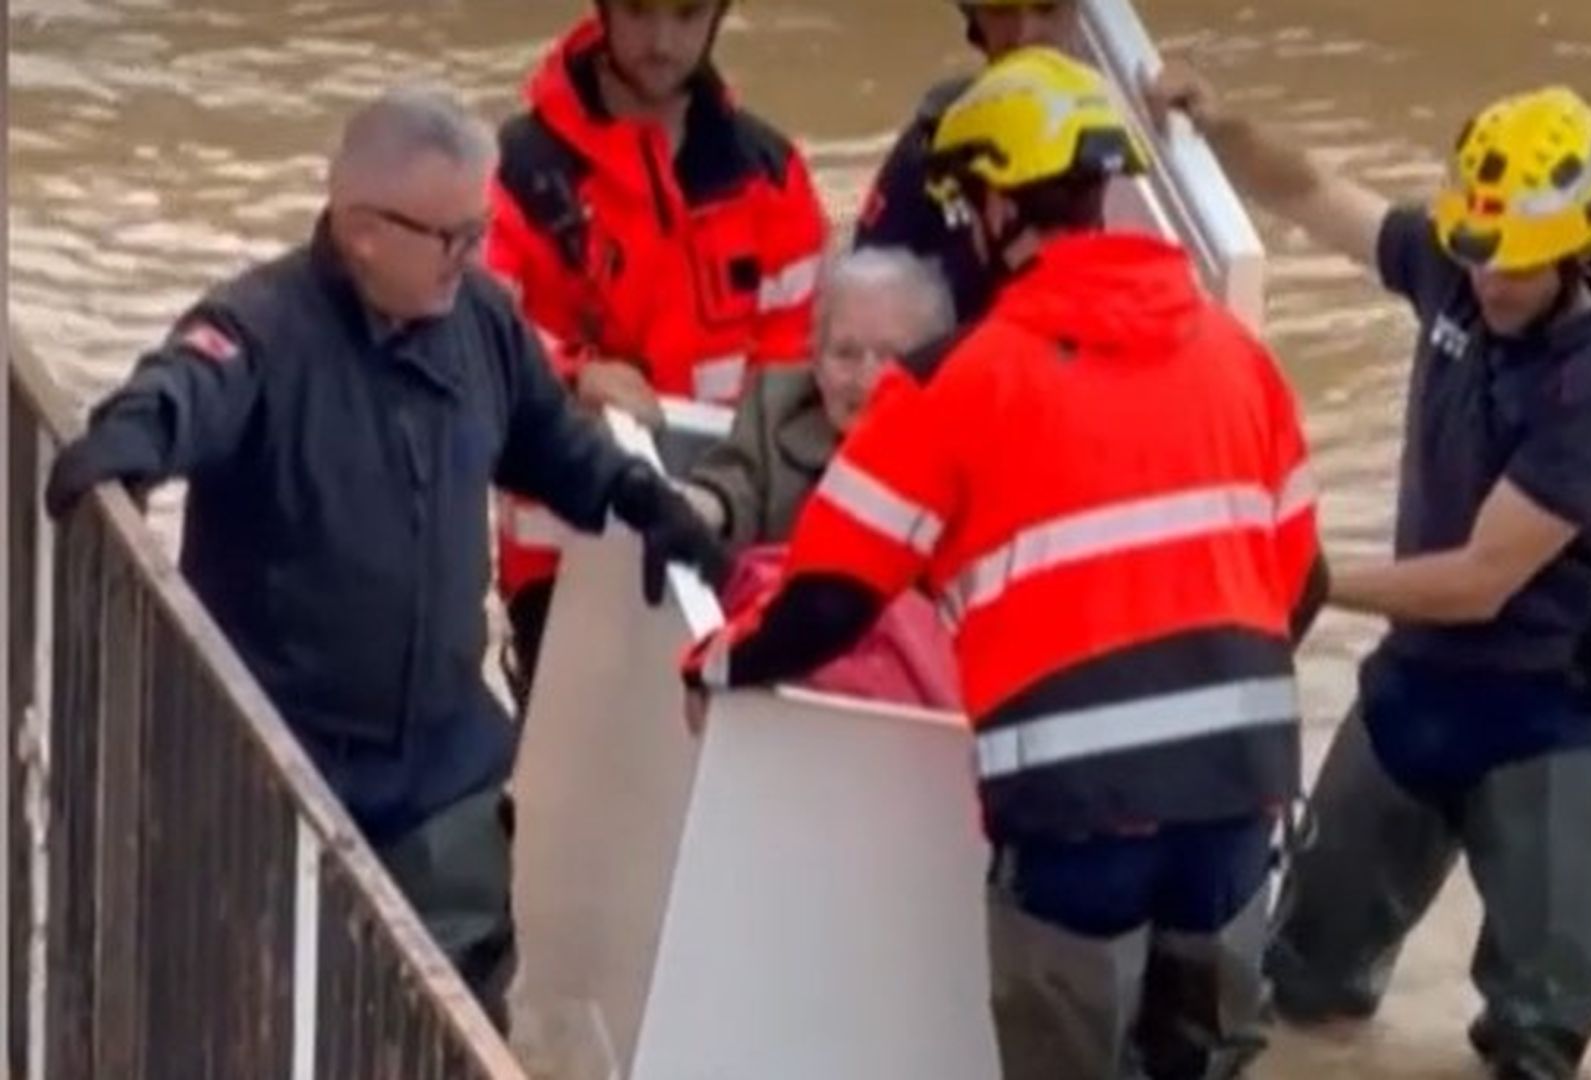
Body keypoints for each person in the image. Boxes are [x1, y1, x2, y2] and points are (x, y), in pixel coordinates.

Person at [681, 47, 1329, 1080]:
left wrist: (715, 662)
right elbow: (1304, 583)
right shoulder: (1236, 356)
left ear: (992, 207)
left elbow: (829, 598)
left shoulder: (953, 384)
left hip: (1077, 821)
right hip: (1238, 807)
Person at [39, 85, 729, 1031]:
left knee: (451, 1016)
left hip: (443, 770)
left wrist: (641, 500)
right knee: (260, 1015)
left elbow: (546, 443)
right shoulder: (261, 330)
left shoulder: (481, 321)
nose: (472, 256)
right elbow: (178, 393)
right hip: (280, 769)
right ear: (363, 230)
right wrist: (125, 448)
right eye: (449, 237)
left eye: (478, 231)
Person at [1149, 66, 1591, 1080]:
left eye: (1511, 265)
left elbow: (1480, 580)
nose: (1485, 279)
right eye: (1473, 253)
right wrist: (1220, 124)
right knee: (1299, 993)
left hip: (1549, 723)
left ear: (1576, 251)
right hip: (1414, 696)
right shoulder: (1460, 265)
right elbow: (1313, 195)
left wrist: (1303, 577)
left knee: (1538, 1043)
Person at [486, 0, 829, 710]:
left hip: (728, 555)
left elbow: (798, 378)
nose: (662, 41)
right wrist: (575, 376)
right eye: (640, 13)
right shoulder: (516, 170)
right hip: (564, 563)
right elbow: (475, 332)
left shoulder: (772, 176)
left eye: (686, 14)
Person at [679, 246, 956, 549]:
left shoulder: (958, 452)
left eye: (891, 358)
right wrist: (699, 509)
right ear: (816, 358)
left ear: (933, 368)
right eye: (845, 353)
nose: (865, 380)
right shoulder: (777, 402)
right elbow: (734, 484)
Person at [853, 0, 1079, 324]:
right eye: (1002, 12)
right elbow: (864, 303)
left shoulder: (1129, 133)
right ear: (977, 21)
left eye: (1046, 9)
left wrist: (1175, 116)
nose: (1024, 34)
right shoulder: (932, 146)